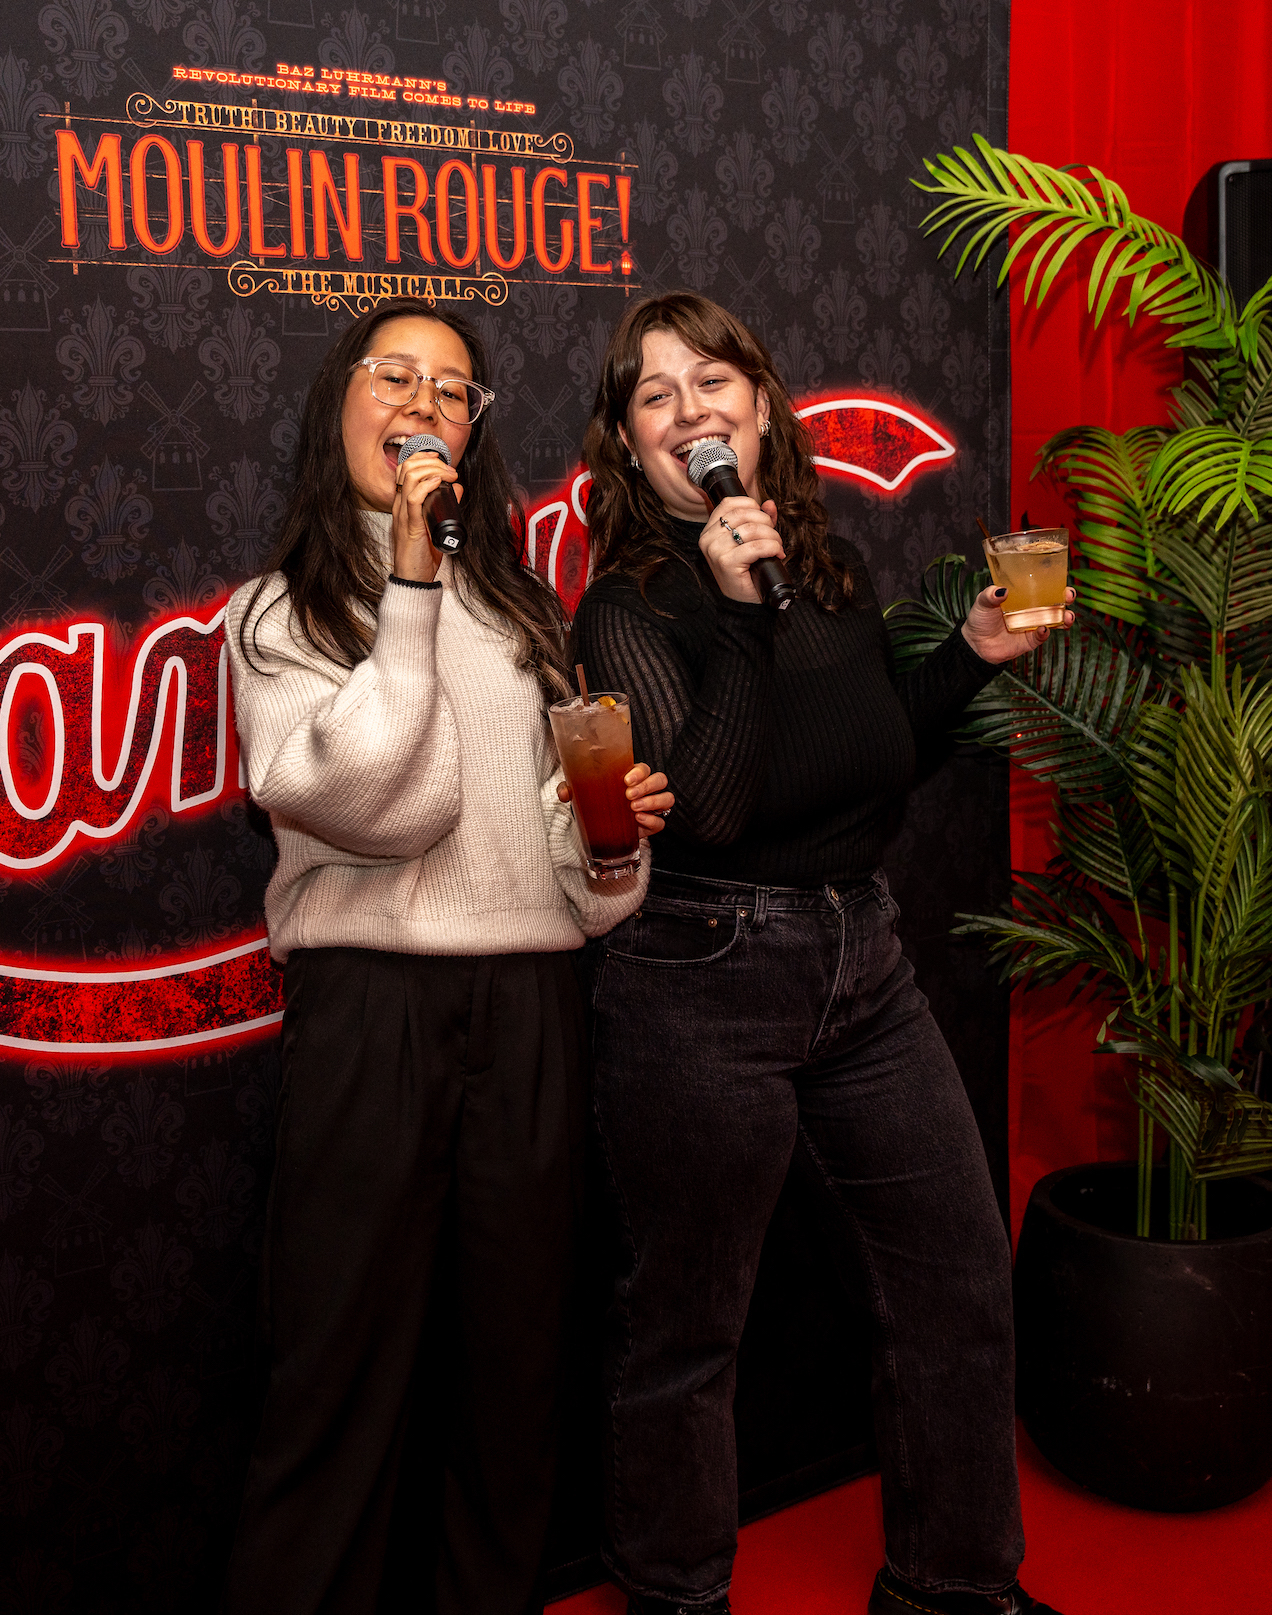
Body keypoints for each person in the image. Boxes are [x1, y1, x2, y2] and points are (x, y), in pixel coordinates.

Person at [572, 290, 1074, 1615]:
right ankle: (677, 1596)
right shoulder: (625, 609)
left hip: (866, 956)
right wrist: (737, 615)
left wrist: (969, 656)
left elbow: (870, 757)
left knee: (958, 1278)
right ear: (628, 447)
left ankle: (955, 1587)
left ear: (759, 402)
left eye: (713, 381)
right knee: (689, 1328)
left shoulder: (820, 554)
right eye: (657, 395)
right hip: (701, 976)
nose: (693, 411)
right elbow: (718, 809)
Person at [223, 297, 672, 1615]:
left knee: (514, 1383)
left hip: (534, 1006)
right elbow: (385, 804)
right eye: (396, 376)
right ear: (339, 405)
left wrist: (610, 840)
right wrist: (410, 586)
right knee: (338, 1385)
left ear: (475, 437)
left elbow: (581, 887)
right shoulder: (277, 614)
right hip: (372, 1013)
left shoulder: (527, 617)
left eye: (455, 392)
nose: (425, 405)